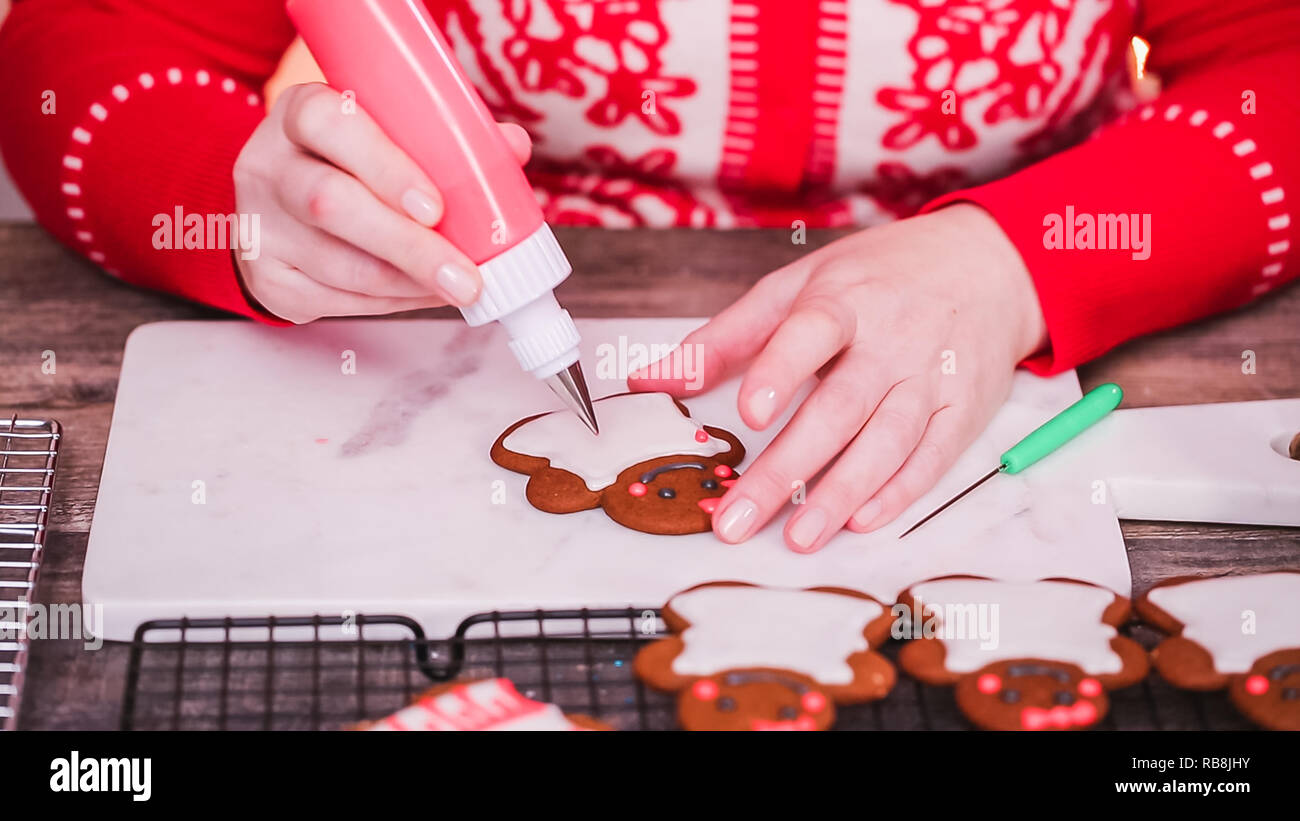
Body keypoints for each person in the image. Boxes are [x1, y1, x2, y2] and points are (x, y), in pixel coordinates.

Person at [1, 0, 1295, 554]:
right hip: (467, 281)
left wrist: (1021, 254)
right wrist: (233, 211)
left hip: (1022, 289)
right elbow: (78, 55)